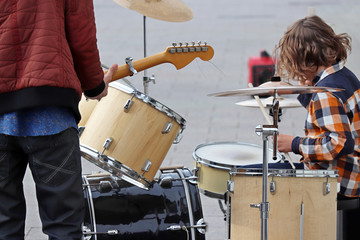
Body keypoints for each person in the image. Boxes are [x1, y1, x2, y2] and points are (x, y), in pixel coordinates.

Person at [0, 0, 118, 239]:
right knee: (63, 224)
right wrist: (95, 86)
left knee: (2, 222)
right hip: (50, 113)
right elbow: (81, 35)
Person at [275, 15, 360, 238]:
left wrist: (293, 144)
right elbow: (331, 116)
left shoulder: (326, 93)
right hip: (353, 174)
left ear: (305, 59)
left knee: (262, 179)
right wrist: (302, 91)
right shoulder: (344, 76)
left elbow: (340, 143)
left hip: (339, 180)